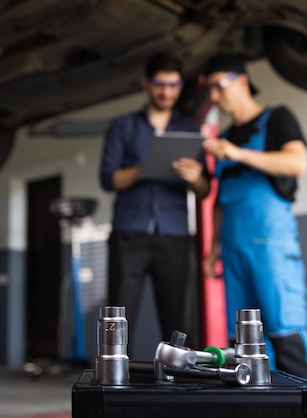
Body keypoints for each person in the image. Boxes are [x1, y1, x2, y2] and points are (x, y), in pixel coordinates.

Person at [201, 55, 307, 381]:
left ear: (240, 80)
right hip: (234, 250)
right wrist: (213, 249)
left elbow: (297, 163)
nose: (213, 96)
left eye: (217, 86)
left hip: (272, 247)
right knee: (243, 343)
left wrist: (238, 154)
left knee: (285, 331)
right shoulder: (224, 137)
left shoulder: (277, 118)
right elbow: (220, 200)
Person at [99, 52, 210, 350]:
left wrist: (195, 176)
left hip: (174, 235)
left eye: (173, 85)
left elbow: (204, 190)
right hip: (128, 234)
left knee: (179, 323)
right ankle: (113, 386)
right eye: (160, 84)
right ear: (146, 83)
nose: (166, 92)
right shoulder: (122, 126)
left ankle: (180, 388)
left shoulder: (190, 130)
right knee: (118, 321)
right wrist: (146, 167)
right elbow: (108, 180)